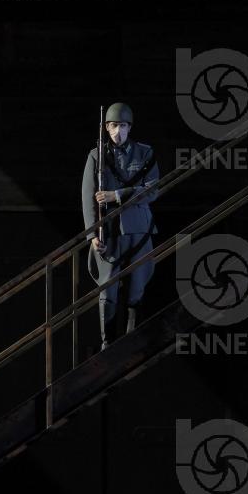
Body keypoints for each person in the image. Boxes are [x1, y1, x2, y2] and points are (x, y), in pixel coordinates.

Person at [81, 102, 160, 349]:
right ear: (106, 127)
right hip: (109, 230)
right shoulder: (97, 155)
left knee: (137, 288)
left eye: (123, 126)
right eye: (114, 125)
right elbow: (88, 197)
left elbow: (152, 190)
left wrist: (117, 195)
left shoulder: (144, 153)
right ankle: (108, 344)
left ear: (130, 127)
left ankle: (132, 341)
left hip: (138, 227)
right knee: (108, 293)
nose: (118, 131)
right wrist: (92, 234)